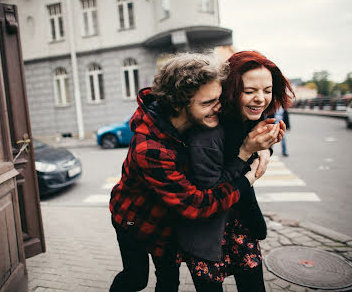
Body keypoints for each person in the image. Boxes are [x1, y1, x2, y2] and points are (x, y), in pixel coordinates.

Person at [109, 52, 279, 292]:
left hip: (172, 217)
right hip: (138, 218)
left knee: (169, 282)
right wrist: (248, 177)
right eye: (208, 103)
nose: (218, 108)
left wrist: (264, 148)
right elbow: (196, 206)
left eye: (218, 99)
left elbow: (248, 113)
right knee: (137, 278)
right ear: (178, 103)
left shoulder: (201, 116)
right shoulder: (151, 149)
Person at [177, 50, 294, 292]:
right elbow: (211, 194)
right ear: (230, 90)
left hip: (242, 225)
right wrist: (247, 152)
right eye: (249, 91)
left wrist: (264, 149)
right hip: (205, 233)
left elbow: (258, 148)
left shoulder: (252, 117)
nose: (261, 99)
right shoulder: (206, 133)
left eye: (267, 90)